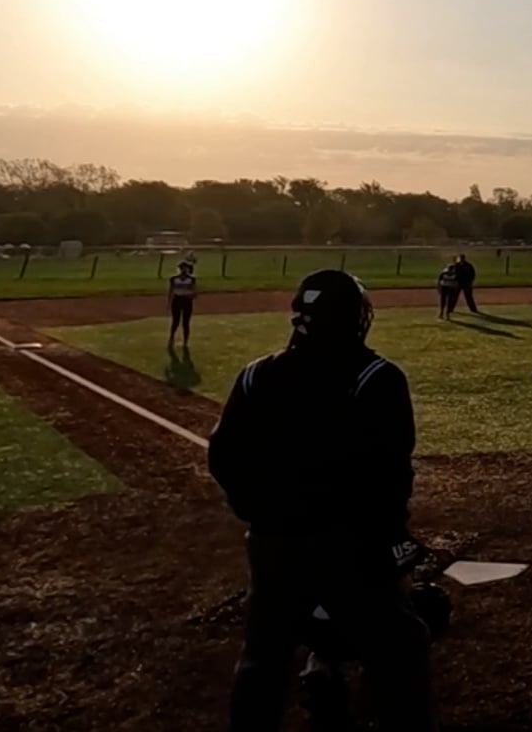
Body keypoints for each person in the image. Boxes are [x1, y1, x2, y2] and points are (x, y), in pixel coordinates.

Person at [207, 270, 436, 732]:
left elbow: (223, 457)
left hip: (271, 543)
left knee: (262, 658)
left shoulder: (256, 375)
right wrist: (392, 543)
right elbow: (392, 477)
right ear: (352, 319)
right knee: (401, 649)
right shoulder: (377, 377)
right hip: (349, 547)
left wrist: (257, 512)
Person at [168, 259, 198, 347]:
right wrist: (169, 302)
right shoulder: (173, 279)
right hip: (177, 300)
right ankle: (171, 337)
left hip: (187, 301)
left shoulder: (192, 279)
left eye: (185, 268)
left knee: (186, 322)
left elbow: (195, 292)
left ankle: (185, 342)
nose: (183, 270)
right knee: (175, 321)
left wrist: (192, 295)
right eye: (182, 268)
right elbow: (171, 291)